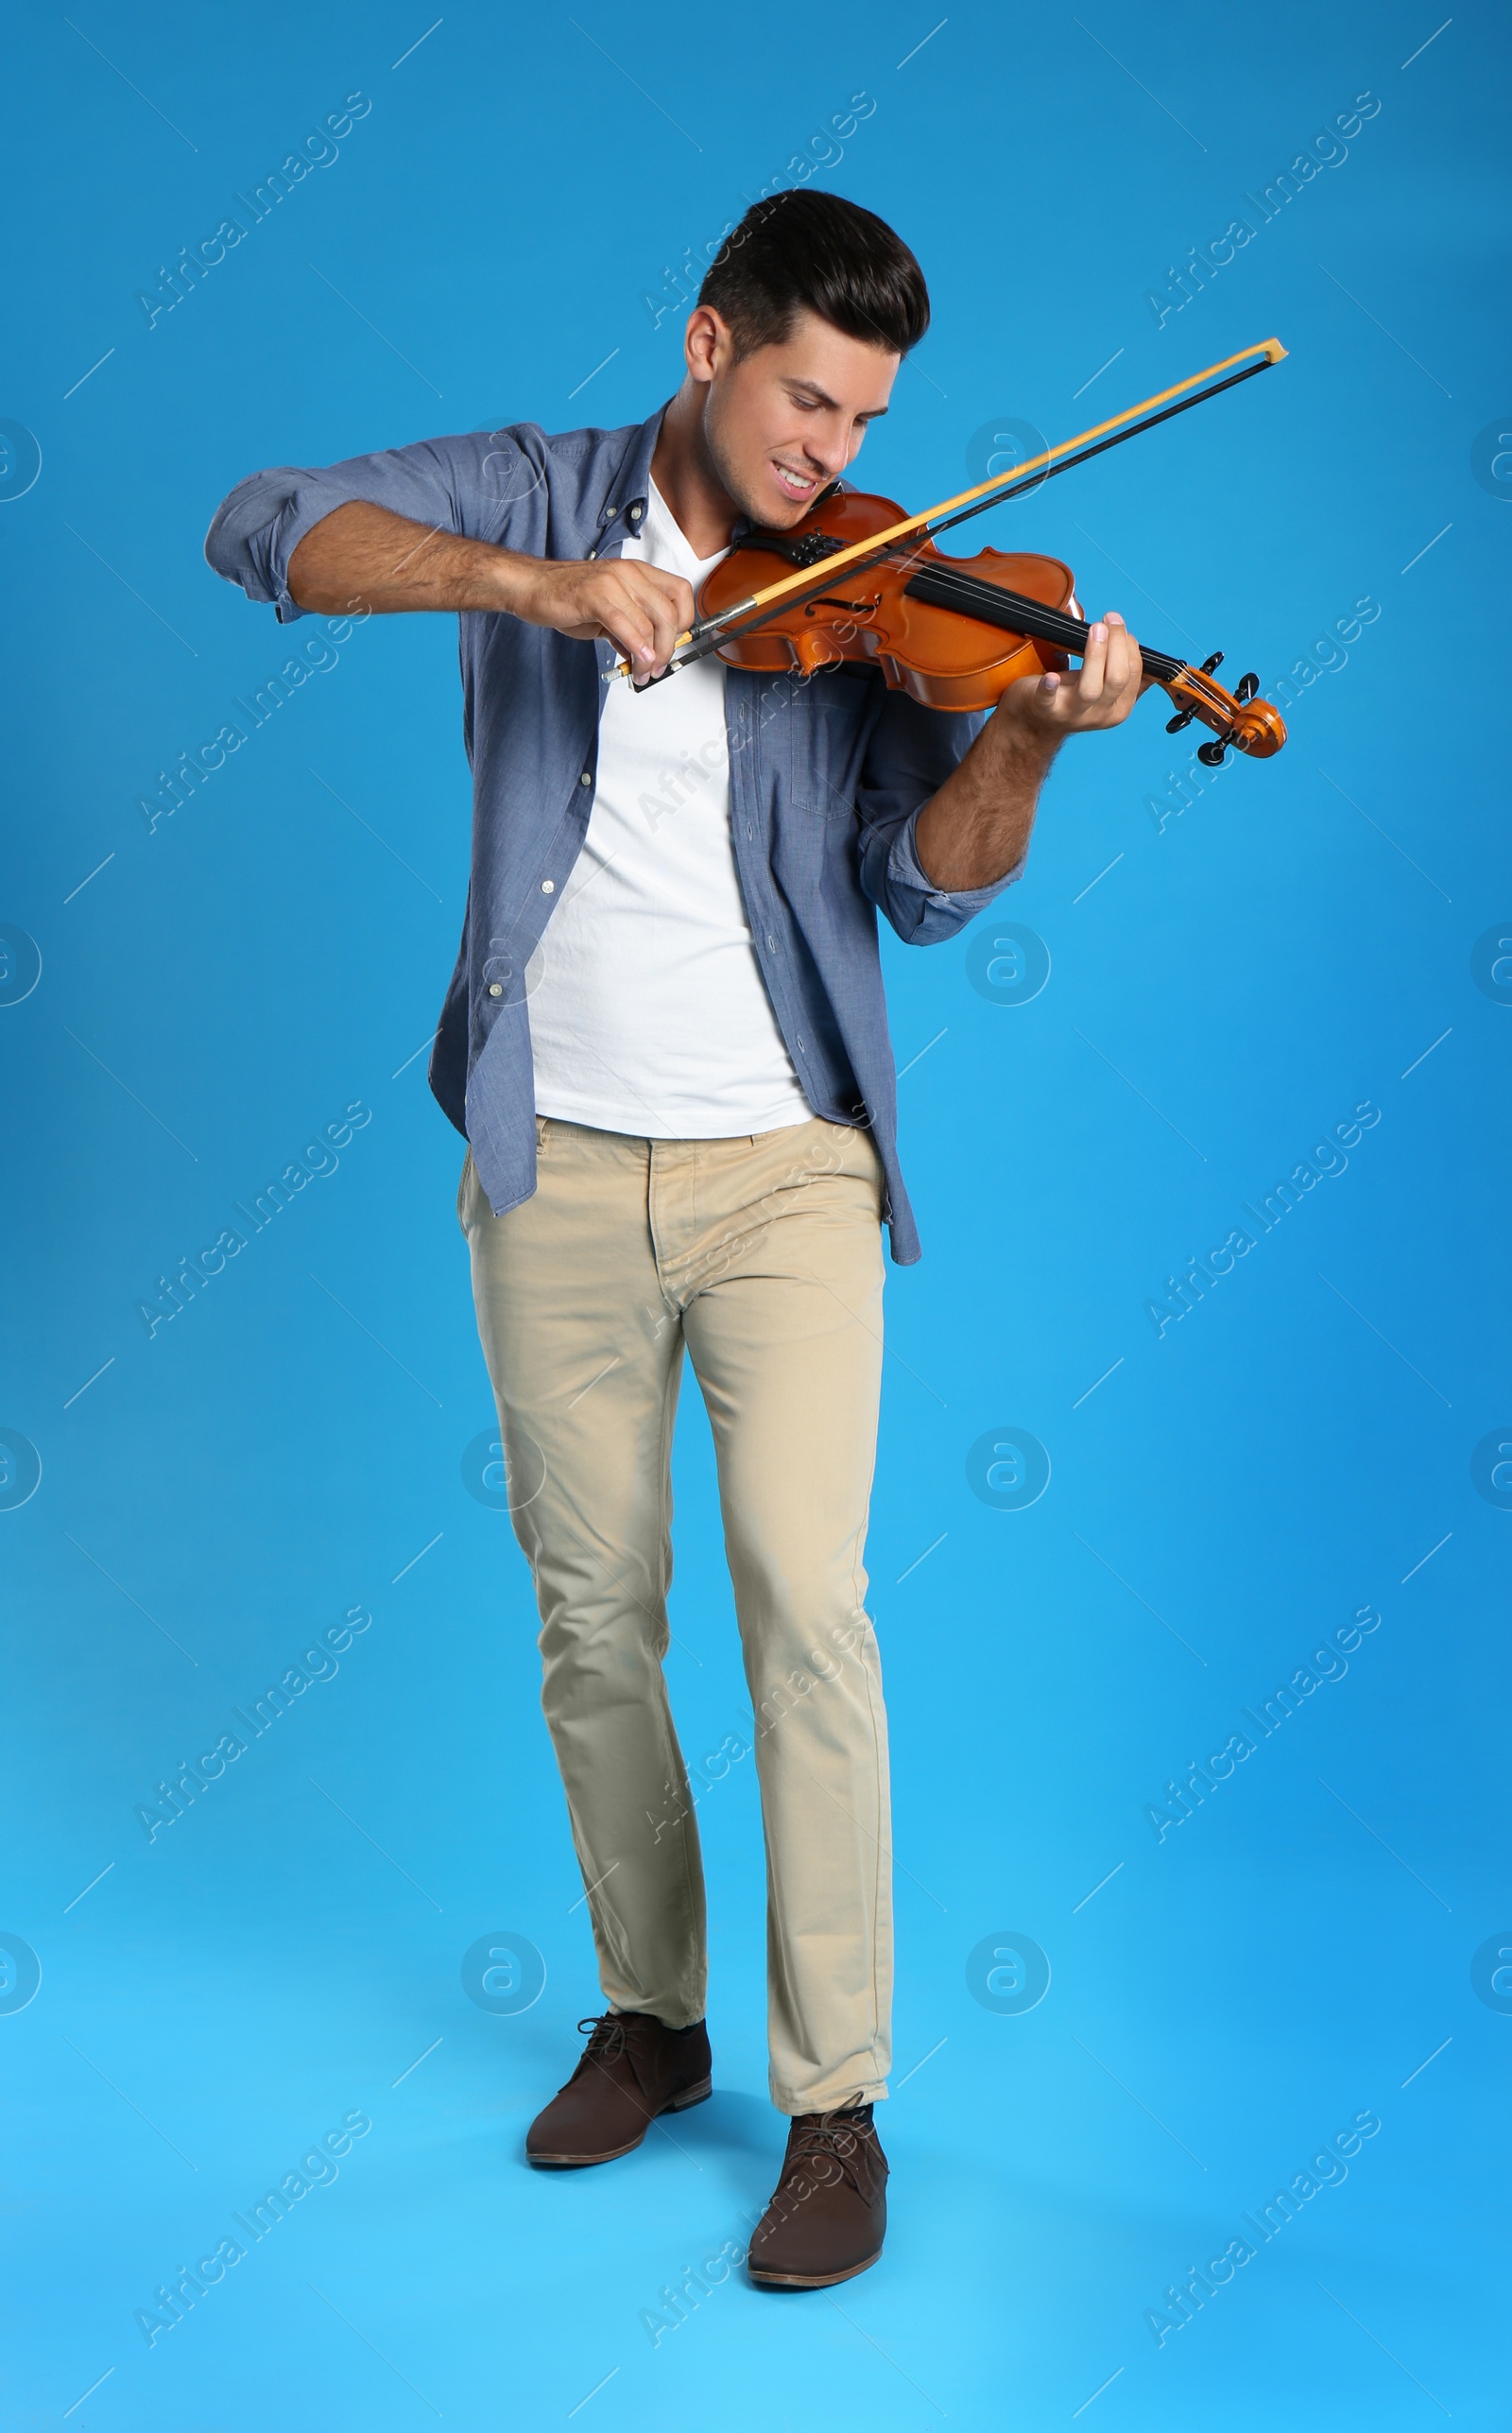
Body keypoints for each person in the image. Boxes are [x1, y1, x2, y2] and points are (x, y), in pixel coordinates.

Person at [205, 186, 1144, 2288]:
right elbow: (266, 525)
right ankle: (653, 2014)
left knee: (802, 1605)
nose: (829, 452)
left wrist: (1017, 731)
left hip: (784, 1169)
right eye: (803, 399)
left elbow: (931, 881)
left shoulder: (881, 583)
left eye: (864, 413)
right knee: (589, 1615)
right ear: (708, 344)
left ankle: (837, 2107)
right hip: (551, 1163)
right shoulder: (530, 490)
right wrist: (539, 592)